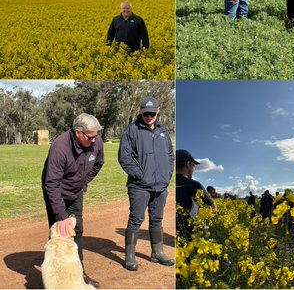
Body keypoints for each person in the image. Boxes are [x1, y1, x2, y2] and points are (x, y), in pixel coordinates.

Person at [42, 113, 105, 288]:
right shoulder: (59, 148)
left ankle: (79, 273)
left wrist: (84, 181)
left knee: (76, 230)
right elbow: (51, 183)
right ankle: (56, 277)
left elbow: (99, 163)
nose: (95, 140)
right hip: (56, 192)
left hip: (76, 192)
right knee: (59, 233)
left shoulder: (96, 142)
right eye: (91, 137)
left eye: (96, 136)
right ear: (78, 133)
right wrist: (61, 216)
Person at [118, 97, 175, 271]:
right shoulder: (132, 131)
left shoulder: (163, 131)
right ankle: (129, 256)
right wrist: (139, 175)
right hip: (140, 186)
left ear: (158, 112)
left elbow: (170, 155)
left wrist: (167, 175)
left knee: (157, 219)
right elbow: (124, 157)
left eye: (152, 113)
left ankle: (157, 252)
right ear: (141, 113)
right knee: (136, 219)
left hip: (161, 186)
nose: (149, 116)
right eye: (145, 114)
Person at [173, 149, 212, 239]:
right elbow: (212, 208)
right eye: (194, 165)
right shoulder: (194, 185)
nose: (194, 168)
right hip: (191, 236)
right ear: (188, 164)